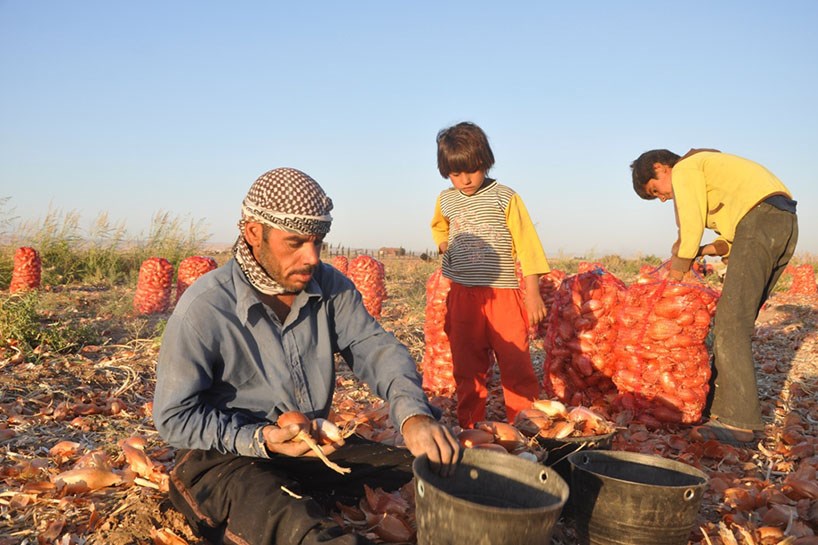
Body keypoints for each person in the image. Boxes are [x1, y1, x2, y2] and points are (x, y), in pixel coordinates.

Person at [153, 167, 460, 545]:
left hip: (308, 448)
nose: (311, 257)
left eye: (318, 242)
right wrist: (261, 438)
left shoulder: (329, 287)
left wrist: (413, 415)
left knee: (427, 472)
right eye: (295, 243)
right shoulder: (205, 307)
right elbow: (174, 417)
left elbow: (375, 348)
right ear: (254, 233)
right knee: (300, 529)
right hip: (221, 458)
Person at [630, 148, 798, 444]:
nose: (663, 199)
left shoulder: (686, 168)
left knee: (730, 325)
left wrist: (677, 272)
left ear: (660, 167)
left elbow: (690, 226)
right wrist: (701, 251)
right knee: (736, 323)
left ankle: (739, 424)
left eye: (656, 191)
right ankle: (722, 409)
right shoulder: (714, 175)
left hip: (760, 222)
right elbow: (730, 241)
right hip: (782, 223)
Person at [430, 121, 550, 429]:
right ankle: (471, 427)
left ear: (485, 161)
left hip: (503, 295)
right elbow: (439, 226)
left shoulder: (505, 197)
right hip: (462, 295)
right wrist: (443, 244)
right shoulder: (446, 200)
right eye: (456, 173)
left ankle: (524, 425)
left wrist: (533, 293)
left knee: (515, 361)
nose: (465, 180)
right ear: (446, 172)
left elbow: (528, 245)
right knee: (467, 365)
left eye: (472, 170)